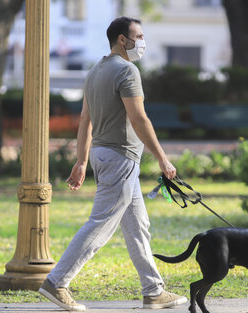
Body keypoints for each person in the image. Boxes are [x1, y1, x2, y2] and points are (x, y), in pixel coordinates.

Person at [38, 17, 187, 311]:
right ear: (122, 40)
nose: (142, 42)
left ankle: (153, 290)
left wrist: (82, 161)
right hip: (120, 159)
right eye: (138, 36)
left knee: (137, 226)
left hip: (106, 156)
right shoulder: (127, 71)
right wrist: (162, 158)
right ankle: (56, 282)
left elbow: (85, 120)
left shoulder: (95, 71)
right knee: (101, 225)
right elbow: (139, 118)